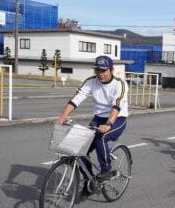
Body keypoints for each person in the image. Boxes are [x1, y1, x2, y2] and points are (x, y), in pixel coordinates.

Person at [55, 55, 129, 195]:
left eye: (104, 70)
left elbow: (116, 106)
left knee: (101, 137)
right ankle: (90, 180)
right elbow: (76, 99)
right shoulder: (90, 82)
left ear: (111, 70)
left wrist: (108, 123)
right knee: (78, 147)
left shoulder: (120, 84)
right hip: (98, 118)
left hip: (117, 119)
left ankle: (106, 170)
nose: (100, 74)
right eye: (97, 71)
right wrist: (62, 117)